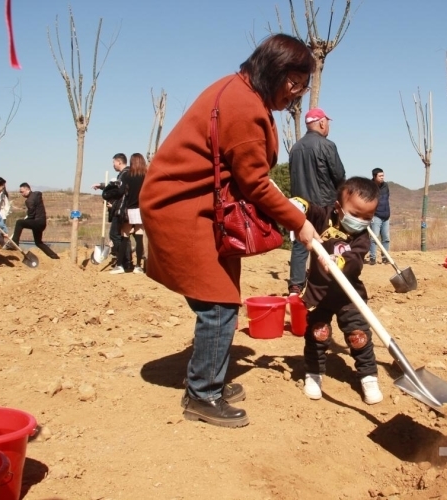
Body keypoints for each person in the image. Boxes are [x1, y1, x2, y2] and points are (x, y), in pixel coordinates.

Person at [140, 34, 320, 428]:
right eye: (294, 83)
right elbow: (255, 183)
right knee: (218, 303)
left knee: (219, 298)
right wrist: (299, 223)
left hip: (203, 207)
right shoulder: (244, 106)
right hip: (182, 208)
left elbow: (247, 175)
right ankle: (202, 394)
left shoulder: (241, 91)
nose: (296, 95)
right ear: (274, 70)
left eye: (302, 87)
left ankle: (210, 380)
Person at [298, 177, 383, 405]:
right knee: (317, 334)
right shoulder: (323, 217)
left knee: (359, 336)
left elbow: (355, 258)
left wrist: (340, 261)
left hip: (349, 296)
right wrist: (298, 205)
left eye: (367, 217)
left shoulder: (361, 236)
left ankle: (368, 376)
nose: (360, 221)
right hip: (319, 294)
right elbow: (308, 209)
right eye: (355, 214)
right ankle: (314, 373)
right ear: (338, 207)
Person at [288, 107, 345, 294]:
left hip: (300, 204)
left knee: (300, 242)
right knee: (327, 241)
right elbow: (339, 175)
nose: (328, 126)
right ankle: (328, 282)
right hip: (324, 204)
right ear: (321, 123)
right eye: (327, 123)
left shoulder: (295, 148)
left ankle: (295, 286)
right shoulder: (327, 145)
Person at [92, 153, 130, 270]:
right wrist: (102, 186)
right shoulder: (122, 174)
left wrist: (111, 201)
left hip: (121, 210)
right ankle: (126, 262)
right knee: (122, 236)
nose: (113, 165)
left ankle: (123, 262)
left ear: (119, 162)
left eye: (114, 162)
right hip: (120, 209)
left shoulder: (125, 174)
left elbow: (119, 191)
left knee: (115, 235)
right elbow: (115, 187)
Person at [111, 152, 147, 275]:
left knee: (124, 237)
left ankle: (120, 265)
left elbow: (120, 191)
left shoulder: (127, 175)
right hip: (140, 209)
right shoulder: (146, 175)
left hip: (129, 209)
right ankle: (138, 266)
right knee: (139, 237)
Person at [10, 183, 60, 259]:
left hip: (37, 222)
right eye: (20, 192)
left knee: (19, 223)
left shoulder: (29, 200)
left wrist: (26, 221)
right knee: (38, 242)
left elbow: (31, 215)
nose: (22, 194)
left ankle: (14, 243)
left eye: (22, 191)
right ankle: (54, 256)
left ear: (27, 189)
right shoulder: (36, 195)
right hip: (42, 223)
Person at [369, 168, 390, 265]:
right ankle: (372, 258)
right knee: (374, 238)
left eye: (383, 175)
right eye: (380, 176)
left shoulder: (385, 186)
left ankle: (385, 257)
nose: (382, 177)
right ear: (374, 176)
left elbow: (387, 199)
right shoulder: (370, 187)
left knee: (386, 238)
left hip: (386, 216)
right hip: (375, 216)